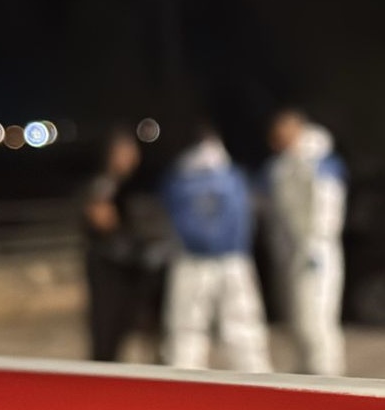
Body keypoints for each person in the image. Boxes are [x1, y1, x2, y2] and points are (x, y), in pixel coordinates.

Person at [161, 125, 272, 372]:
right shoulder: (234, 177)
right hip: (230, 262)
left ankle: (185, 387)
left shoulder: (177, 178)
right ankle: (257, 386)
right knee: (244, 331)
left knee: (187, 333)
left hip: (195, 262)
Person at [264, 109, 348, 375]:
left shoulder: (319, 161)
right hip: (292, 253)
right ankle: (308, 375)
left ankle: (327, 377)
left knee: (316, 319)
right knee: (298, 318)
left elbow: (327, 208)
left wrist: (314, 245)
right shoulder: (284, 165)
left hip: (315, 250)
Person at [82, 129, 155, 362]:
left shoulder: (136, 185)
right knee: (107, 341)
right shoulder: (104, 185)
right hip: (110, 272)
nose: (131, 157)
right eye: (124, 152)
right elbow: (102, 220)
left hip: (132, 272)